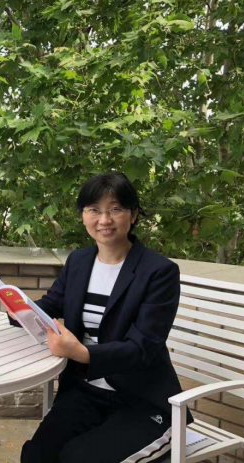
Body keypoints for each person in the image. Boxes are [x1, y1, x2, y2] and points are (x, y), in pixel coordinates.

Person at [16, 173, 189, 463]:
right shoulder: (79, 261)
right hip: (85, 393)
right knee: (37, 454)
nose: (104, 219)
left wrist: (81, 353)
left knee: (78, 457)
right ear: (83, 216)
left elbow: (142, 348)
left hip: (142, 402)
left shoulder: (158, 272)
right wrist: (17, 307)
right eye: (94, 209)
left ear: (133, 215)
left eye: (115, 209)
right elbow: (51, 304)